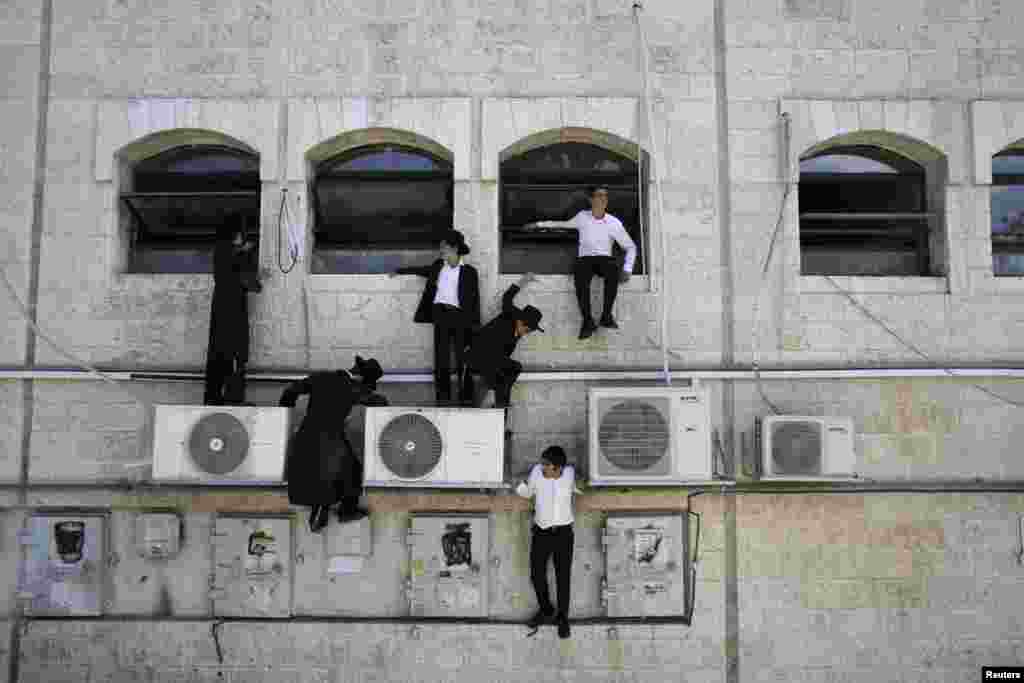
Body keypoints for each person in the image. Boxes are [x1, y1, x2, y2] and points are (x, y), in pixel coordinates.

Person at [278, 356, 386, 533]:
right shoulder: (353, 387)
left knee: (319, 474)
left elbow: (291, 389)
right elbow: (376, 400)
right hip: (331, 438)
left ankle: (324, 512)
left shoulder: (321, 377)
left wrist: (285, 410)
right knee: (351, 470)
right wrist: (387, 412)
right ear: (361, 378)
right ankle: (345, 511)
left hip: (306, 436)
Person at [523, 186, 637, 340]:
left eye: (605, 196)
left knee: (612, 271)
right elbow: (561, 224)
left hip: (604, 258)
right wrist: (538, 225)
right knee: (581, 279)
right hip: (586, 259)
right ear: (591, 200)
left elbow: (630, 247)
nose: (603, 199)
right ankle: (587, 321)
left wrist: (628, 268)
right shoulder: (582, 217)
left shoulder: (613, 222)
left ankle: (606, 316)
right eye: (599, 195)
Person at [390, 230, 481, 406]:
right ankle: (443, 399)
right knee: (441, 359)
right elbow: (421, 270)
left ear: (455, 248)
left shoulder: (469, 272)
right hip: (441, 316)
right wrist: (399, 270)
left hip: (461, 318)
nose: (441, 250)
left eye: (444, 247)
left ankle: (467, 399)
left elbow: (475, 300)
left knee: (464, 360)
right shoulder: (438, 266)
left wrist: (474, 326)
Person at [516, 445, 580, 639]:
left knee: (563, 577)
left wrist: (583, 485)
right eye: (542, 463)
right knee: (536, 574)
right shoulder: (536, 473)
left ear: (558, 468)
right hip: (541, 533)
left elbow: (581, 489)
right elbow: (526, 493)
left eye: (547, 465)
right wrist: (522, 485)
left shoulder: (569, 474)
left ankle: (562, 618)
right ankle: (545, 609)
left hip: (563, 533)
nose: (542, 467)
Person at [204, 215, 261, 405]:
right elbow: (248, 281)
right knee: (231, 356)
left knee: (227, 357)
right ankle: (230, 397)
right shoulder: (226, 253)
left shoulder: (225, 256)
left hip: (227, 315)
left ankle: (225, 396)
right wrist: (244, 253)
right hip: (230, 318)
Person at [464, 273, 543, 409]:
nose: (526, 333)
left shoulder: (518, 330)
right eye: (527, 329)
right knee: (513, 368)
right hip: (477, 355)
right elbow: (507, 297)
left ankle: (501, 412)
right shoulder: (509, 315)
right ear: (520, 321)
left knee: (506, 381)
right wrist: (523, 280)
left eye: (529, 331)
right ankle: (499, 399)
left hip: (492, 361)